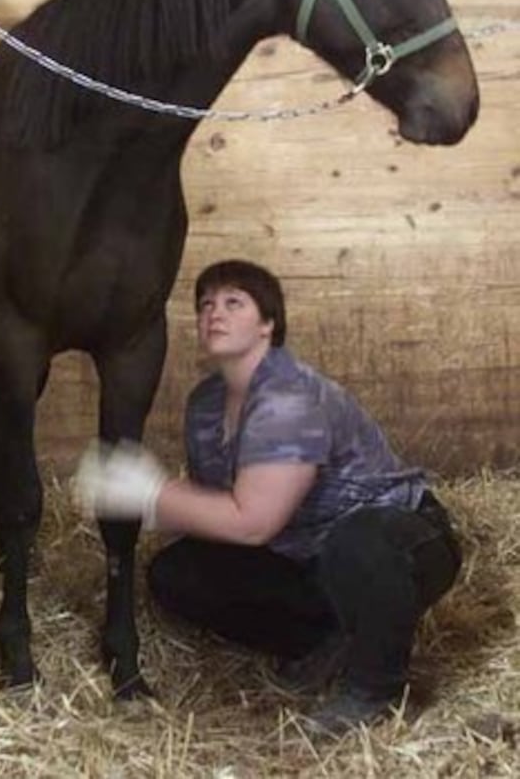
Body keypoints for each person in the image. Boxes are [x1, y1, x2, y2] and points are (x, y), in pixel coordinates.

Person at [73, 259, 462, 736]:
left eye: (234, 303)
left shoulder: (289, 397)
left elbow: (253, 522)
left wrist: (150, 493)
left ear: (267, 325)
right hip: (305, 556)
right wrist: (157, 508)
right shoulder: (204, 406)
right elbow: (220, 512)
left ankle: (373, 691)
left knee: (357, 543)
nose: (215, 313)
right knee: (177, 573)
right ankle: (329, 639)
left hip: (402, 542)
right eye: (206, 305)